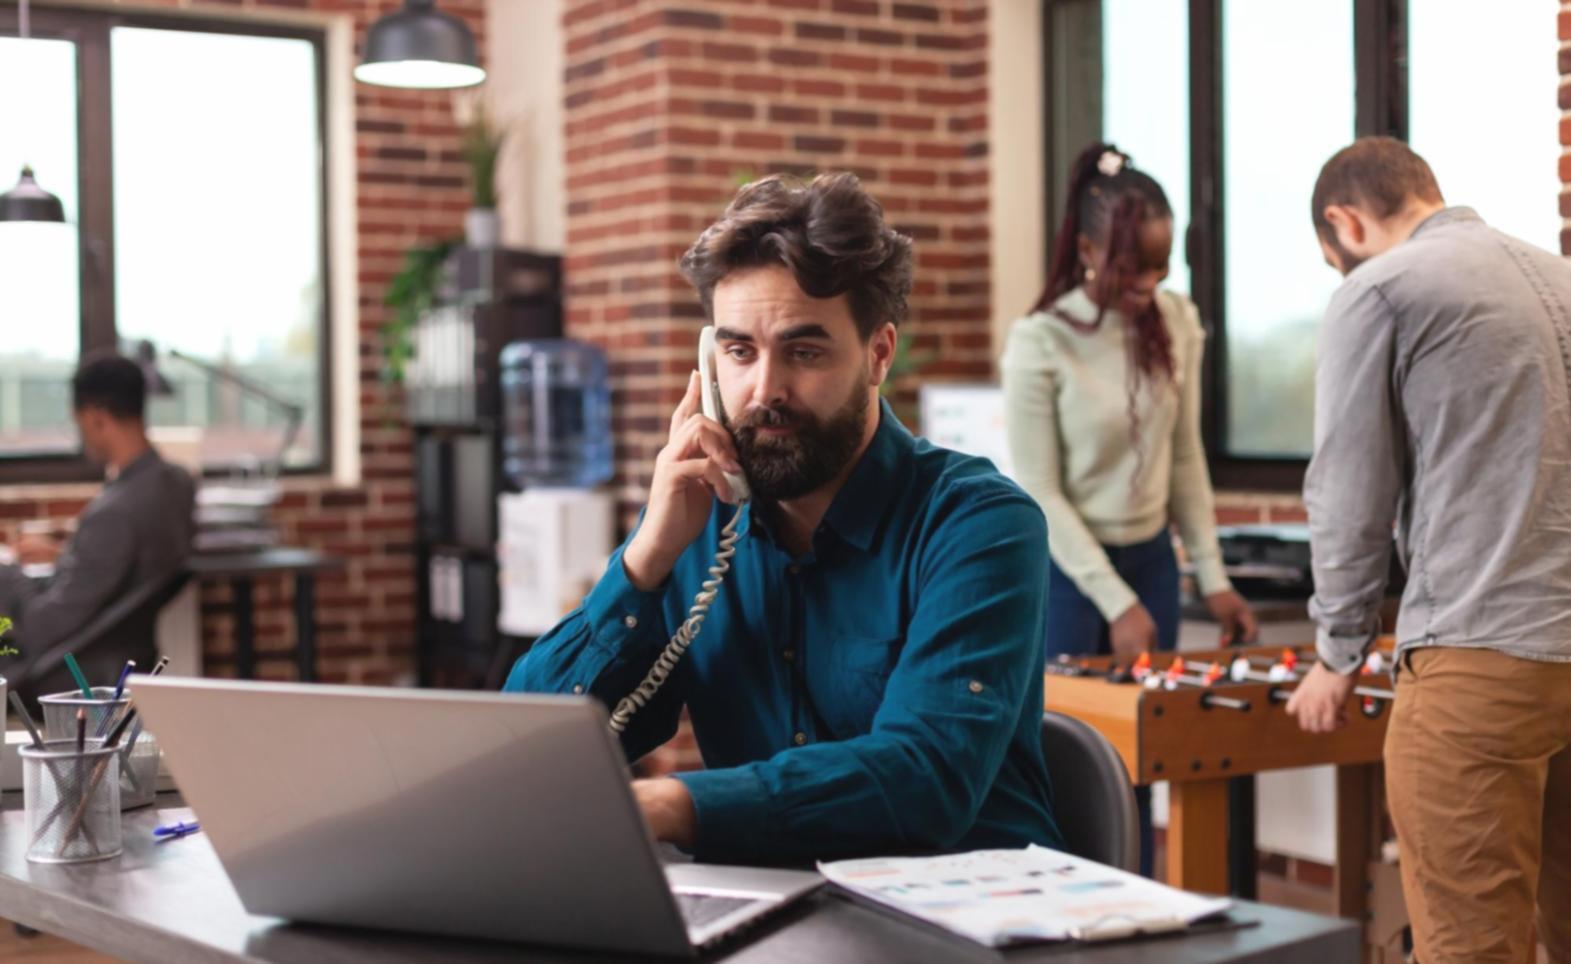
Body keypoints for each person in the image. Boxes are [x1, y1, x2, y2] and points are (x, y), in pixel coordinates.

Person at [506, 173, 1063, 864]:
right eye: (739, 352)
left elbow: (927, 777)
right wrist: (646, 557)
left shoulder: (978, 524)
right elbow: (527, 749)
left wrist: (672, 804)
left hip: (972, 920)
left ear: (877, 354)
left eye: (803, 352)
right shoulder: (699, 524)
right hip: (775, 914)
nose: (765, 390)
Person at [1285, 136, 1571, 964]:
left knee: (1469, 948)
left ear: (1342, 223)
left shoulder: (1379, 292)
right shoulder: (1560, 278)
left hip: (1479, 660)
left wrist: (1335, 651)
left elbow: (1347, 494)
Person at [1000, 143, 1255, 875]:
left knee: (1142, 768)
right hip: (1068, 577)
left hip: (1148, 562)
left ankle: (1136, 918)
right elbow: (1039, 491)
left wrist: (1208, 576)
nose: (1147, 284)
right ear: (1085, 250)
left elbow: (1183, 459)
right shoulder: (1039, 341)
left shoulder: (1176, 322)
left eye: (1159, 267)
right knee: (1075, 766)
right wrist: (1113, 599)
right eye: (1130, 268)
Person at [0, 354, 196, 697]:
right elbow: (115, 569)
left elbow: (37, 628)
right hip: (122, 651)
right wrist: (65, 554)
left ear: (96, 418)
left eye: (79, 424)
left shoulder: (114, 514)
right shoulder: (176, 483)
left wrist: (9, 568)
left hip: (70, 670)